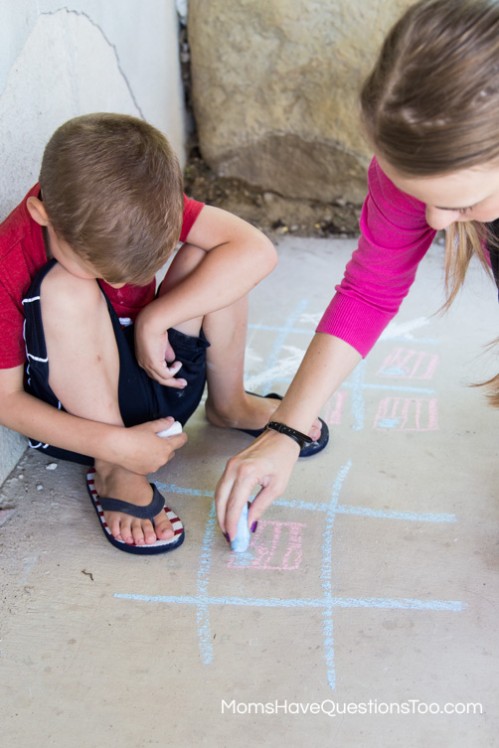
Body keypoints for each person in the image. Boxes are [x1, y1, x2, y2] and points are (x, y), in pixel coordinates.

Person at [215, 0, 499, 540]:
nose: (437, 223)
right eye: (421, 196)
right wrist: (285, 429)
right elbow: (369, 292)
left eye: (462, 205)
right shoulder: (415, 160)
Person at [0, 112, 329, 555]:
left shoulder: (136, 205)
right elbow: (6, 400)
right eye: (99, 271)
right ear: (42, 214)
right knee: (65, 287)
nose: (117, 287)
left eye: (131, 274)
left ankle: (229, 405)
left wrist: (155, 320)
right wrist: (114, 445)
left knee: (214, 259)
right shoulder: (9, 257)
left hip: (159, 372)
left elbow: (255, 251)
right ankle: (117, 470)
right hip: (84, 418)